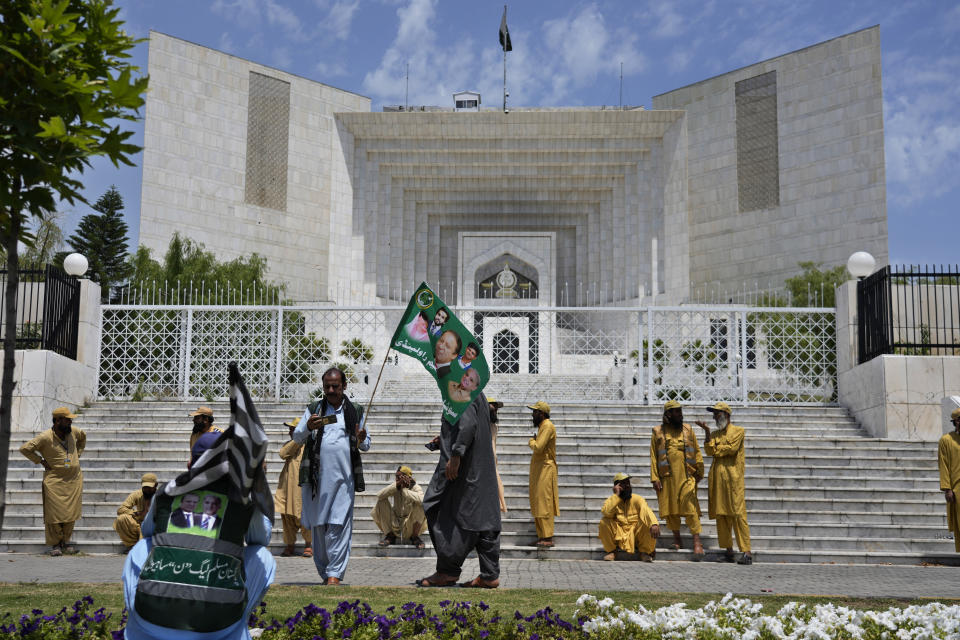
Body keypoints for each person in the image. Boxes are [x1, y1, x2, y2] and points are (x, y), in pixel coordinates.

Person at [121, 433, 276, 640]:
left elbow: (149, 532)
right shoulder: (241, 498)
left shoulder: (167, 492)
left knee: (143, 546)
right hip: (219, 626)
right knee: (261, 555)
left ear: (189, 464)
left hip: (150, 623)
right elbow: (261, 538)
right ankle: (237, 630)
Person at [292, 367, 370, 585]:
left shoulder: (355, 410)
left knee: (338, 525)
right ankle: (325, 572)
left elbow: (366, 445)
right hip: (316, 481)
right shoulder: (315, 409)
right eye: (327, 386)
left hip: (344, 481)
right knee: (319, 527)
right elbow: (297, 437)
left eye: (336, 386)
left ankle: (334, 573)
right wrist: (308, 426)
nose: (331, 390)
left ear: (344, 386)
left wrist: (361, 438)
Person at [419, 393, 501, 588]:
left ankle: (447, 570)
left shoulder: (460, 385)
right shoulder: (474, 388)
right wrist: (447, 438)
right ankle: (489, 574)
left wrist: (456, 453)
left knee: (437, 506)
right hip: (479, 467)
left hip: (463, 469)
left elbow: (468, 423)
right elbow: (466, 423)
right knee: (484, 517)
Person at [19, 407, 87, 556]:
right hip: (54, 481)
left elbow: (83, 437)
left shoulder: (73, 431)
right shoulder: (45, 437)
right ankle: (55, 544)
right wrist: (40, 461)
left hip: (74, 479)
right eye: (67, 419)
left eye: (70, 420)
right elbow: (25, 449)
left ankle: (66, 542)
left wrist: (78, 453)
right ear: (57, 421)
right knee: (54, 515)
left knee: (71, 513)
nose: (70, 422)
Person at [697, 401, 752, 564]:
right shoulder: (714, 434)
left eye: (717, 414)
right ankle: (729, 551)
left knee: (737, 514)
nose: (715, 417)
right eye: (714, 414)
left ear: (727, 415)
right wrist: (707, 433)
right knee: (721, 515)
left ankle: (747, 552)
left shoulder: (739, 431)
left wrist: (716, 449)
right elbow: (709, 451)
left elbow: (731, 449)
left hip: (733, 478)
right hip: (717, 479)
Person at [650, 400, 705, 560]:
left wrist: (700, 471)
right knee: (671, 510)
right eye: (675, 412)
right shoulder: (657, 431)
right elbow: (653, 456)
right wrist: (654, 477)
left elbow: (697, 451)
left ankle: (697, 541)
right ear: (668, 414)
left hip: (687, 475)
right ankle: (677, 539)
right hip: (667, 476)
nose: (679, 414)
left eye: (680, 411)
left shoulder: (688, 429)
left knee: (690, 507)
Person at [598, 473, 660, 562]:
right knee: (604, 521)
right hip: (620, 536)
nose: (627, 485)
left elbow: (646, 511)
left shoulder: (637, 499)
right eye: (623, 483)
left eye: (628, 483)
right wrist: (616, 496)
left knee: (647, 522)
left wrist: (654, 523)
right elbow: (606, 513)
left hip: (636, 535)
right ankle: (611, 551)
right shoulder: (612, 500)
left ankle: (645, 552)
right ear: (616, 486)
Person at [275, 417, 312, 557]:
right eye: (290, 429)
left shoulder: (309, 445)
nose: (290, 431)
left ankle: (309, 545)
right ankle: (290, 545)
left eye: (293, 429)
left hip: (303, 488)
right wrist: (297, 439)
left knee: (305, 516)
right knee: (287, 518)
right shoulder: (291, 444)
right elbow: (283, 454)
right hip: (286, 488)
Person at [527, 401, 559, 548]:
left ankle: (548, 536)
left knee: (544, 502)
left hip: (546, 469)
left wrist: (531, 441)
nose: (532, 414)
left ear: (542, 413)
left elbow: (539, 448)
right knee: (538, 502)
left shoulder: (547, 426)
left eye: (535, 412)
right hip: (539, 469)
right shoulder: (542, 427)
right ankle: (541, 536)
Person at [372, 466, 426, 549]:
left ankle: (415, 537)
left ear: (407, 477)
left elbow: (422, 500)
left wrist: (405, 491)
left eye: (399, 477)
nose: (396, 479)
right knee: (381, 501)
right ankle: (390, 536)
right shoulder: (396, 485)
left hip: (410, 525)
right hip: (395, 523)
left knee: (421, 506)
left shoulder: (416, 487)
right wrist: (397, 485)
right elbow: (379, 495)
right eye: (396, 476)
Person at [114, 473, 158, 553]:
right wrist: (135, 513)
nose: (147, 490)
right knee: (122, 519)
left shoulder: (160, 496)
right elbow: (121, 509)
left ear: (156, 485)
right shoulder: (137, 494)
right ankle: (133, 546)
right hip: (139, 525)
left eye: (149, 488)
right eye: (145, 487)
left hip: (154, 526)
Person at [939, 407, 960, 553]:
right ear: (955, 422)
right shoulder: (946, 440)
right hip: (957, 488)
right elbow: (943, 465)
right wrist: (947, 488)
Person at [488, 398, 507, 513]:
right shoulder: (479, 424)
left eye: (496, 408)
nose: (495, 410)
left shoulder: (494, 427)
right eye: (492, 407)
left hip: (492, 463)